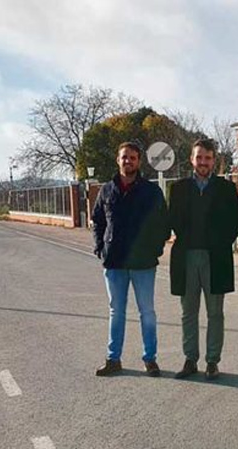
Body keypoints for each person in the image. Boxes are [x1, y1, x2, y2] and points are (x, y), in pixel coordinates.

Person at [92, 141, 170, 377]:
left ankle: (150, 359)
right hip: (114, 262)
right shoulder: (107, 190)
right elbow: (98, 221)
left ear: (139, 161)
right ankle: (113, 359)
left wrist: (154, 249)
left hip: (143, 264)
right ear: (118, 160)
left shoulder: (151, 191)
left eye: (133, 157)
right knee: (117, 311)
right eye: (124, 157)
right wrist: (100, 248)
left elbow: (163, 225)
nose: (128, 161)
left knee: (147, 312)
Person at [169, 138, 238, 380]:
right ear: (192, 159)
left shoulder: (226, 188)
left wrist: (219, 242)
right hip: (186, 257)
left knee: (215, 313)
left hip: (215, 257)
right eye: (199, 157)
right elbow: (174, 220)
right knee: (188, 312)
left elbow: (234, 222)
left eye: (207, 158)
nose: (203, 162)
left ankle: (212, 361)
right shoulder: (178, 188)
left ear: (214, 160)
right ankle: (190, 359)